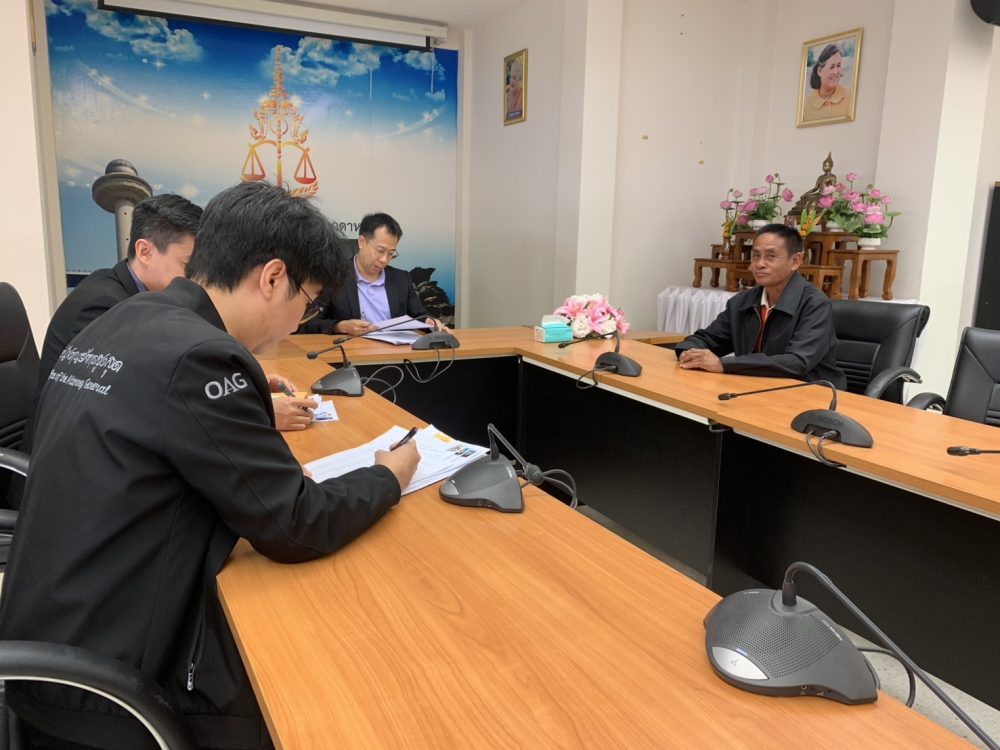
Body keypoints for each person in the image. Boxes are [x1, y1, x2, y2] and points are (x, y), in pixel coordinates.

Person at [0, 181, 421, 750]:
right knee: (307, 692)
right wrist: (388, 475)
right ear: (272, 277)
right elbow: (297, 524)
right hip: (106, 691)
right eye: (309, 301)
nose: (301, 321)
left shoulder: (129, 316)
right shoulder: (201, 356)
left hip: (52, 634)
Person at [31, 193, 315, 441]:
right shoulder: (103, 307)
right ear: (145, 252)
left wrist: (245, 385)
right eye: (189, 266)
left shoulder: (142, 300)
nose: (198, 279)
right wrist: (257, 412)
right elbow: (139, 405)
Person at [673, 223, 846, 388]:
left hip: (811, 393)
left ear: (795, 261)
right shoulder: (743, 301)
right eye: (756, 255)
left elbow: (797, 362)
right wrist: (689, 352)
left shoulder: (815, 304)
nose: (759, 264)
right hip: (754, 387)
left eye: (771, 256)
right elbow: (708, 339)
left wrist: (724, 364)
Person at [301, 212, 446, 336]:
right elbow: (307, 323)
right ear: (362, 242)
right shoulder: (333, 277)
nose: (384, 260)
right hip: (351, 353)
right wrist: (339, 327)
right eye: (380, 251)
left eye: (391, 254)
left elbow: (419, 315)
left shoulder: (401, 279)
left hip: (395, 352)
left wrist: (430, 322)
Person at [802, 43, 851, 122]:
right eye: (832, 67)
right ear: (820, 71)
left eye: (838, 65)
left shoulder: (850, 96)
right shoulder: (805, 105)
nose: (836, 72)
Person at [505, 55, 524, 121]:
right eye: (511, 77)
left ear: (520, 80)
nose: (511, 81)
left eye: (514, 78)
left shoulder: (522, 95)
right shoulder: (507, 94)